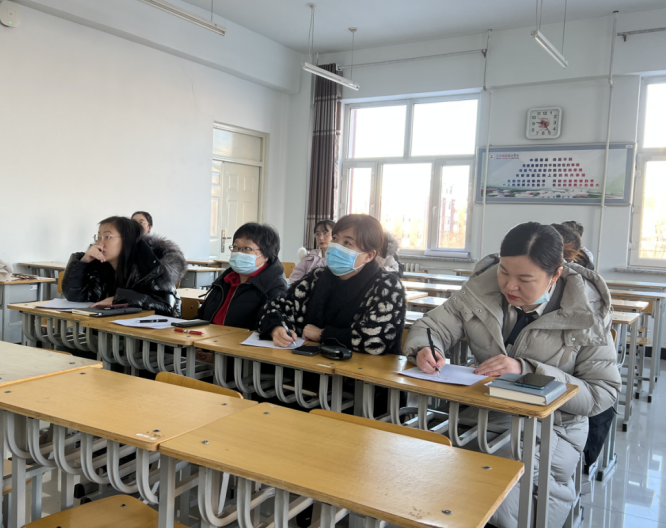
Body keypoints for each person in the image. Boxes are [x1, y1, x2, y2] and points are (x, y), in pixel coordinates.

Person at [405, 222, 620, 528]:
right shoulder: (480, 289)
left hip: (552, 428)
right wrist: (426, 348)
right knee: (422, 472)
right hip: (484, 411)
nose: (510, 286)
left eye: (525, 279)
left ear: (555, 275)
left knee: (496, 495)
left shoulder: (588, 313)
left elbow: (602, 393)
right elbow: (432, 326)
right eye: (504, 272)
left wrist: (527, 371)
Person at [258, 214, 406, 355]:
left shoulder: (387, 286)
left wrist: (323, 334)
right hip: (309, 366)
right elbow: (275, 307)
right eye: (335, 239)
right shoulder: (317, 277)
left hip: (361, 371)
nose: (335, 246)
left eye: (347, 243)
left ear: (369, 255)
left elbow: (379, 338)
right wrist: (276, 327)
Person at [61, 216, 186, 316]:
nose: (100, 243)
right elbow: (74, 296)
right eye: (98, 237)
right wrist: (83, 262)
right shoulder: (100, 266)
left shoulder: (151, 267)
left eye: (107, 237)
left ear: (127, 240)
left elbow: (167, 309)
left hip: (148, 337)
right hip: (110, 333)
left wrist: (121, 299)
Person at [198, 223, 287, 329]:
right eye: (235, 247)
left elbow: (271, 324)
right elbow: (201, 317)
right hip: (209, 337)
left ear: (266, 254)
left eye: (247, 248)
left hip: (238, 339)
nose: (239, 253)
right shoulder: (225, 280)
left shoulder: (275, 285)